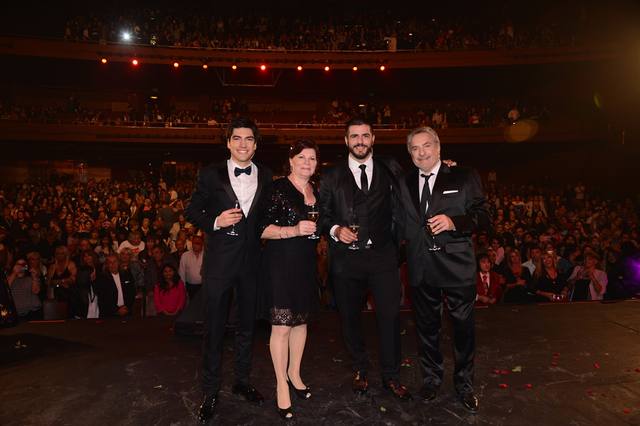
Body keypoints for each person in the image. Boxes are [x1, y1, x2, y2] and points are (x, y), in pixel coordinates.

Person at [397, 126, 490, 413]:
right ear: (410, 153)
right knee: (426, 330)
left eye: (427, 146)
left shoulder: (463, 175)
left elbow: (484, 217)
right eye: (414, 148)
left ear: (439, 148)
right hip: (421, 268)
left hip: (456, 267)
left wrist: (454, 222)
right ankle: (432, 379)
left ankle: (464, 385)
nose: (421, 152)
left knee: (463, 330)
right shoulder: (403, 180)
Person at [186, 117, 272, 423]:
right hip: (220, 263)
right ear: (228, 142)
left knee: (248, 327)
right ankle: (211, 391)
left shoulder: (267, 175)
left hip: (252, 263)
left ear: (255, 144)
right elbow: (193, 210)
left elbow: (265, 217)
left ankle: (242, 381)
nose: (243, 144)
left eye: (249, 139)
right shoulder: (210, 174)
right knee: (215, 329)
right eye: (237, 138)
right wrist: (215, 222)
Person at [318, 118, 411, 401]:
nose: (360, 140)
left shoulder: (391, 167)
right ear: (346, 141)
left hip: (383, 255)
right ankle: (360, 368)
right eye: (354, 136)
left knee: (390, 317)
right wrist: (335, 230)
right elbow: (322, 214)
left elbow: (415, 184)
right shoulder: (331, 175)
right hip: (347, 259)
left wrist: (445, 169)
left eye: (365, 135)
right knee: (350, 319)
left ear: (373, 139)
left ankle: (391, 375)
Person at [259, 139, 319, 419]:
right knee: (281, 326)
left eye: (313, 159)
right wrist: (293, 230)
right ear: (291, 161)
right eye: (302, 158)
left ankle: (294, 374)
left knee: (300, 322)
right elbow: (261, 229)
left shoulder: (314, 189)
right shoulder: (277, 188)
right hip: (280, 264)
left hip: (306, 264)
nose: (308, 163)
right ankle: (281, 384)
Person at [178, 235, 204, 300]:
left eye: (197, 243)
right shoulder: (185, 255)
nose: (195, 245)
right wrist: (183, 288)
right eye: (194, 243)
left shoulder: (206, 255)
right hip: (190, 286)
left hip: (203, 286)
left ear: (202, 244)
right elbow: (182, 272)